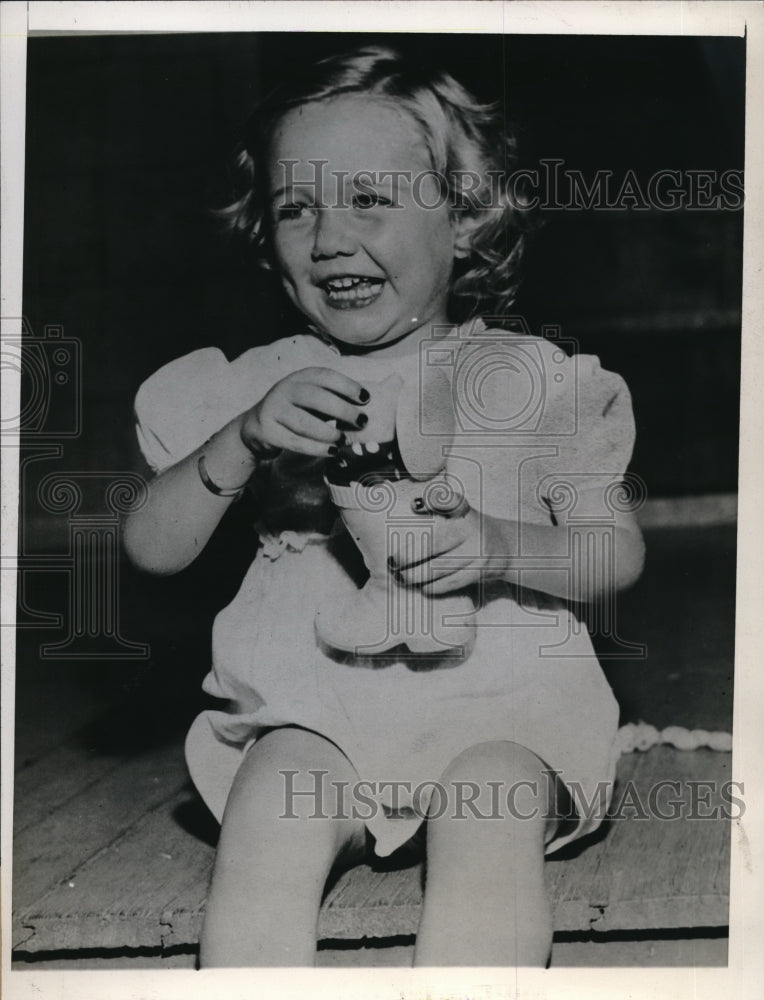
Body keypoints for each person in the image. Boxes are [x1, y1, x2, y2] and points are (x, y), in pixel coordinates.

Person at [123, 45, 645, 968]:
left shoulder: (533, 380)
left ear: (465, 221)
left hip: (506, 709)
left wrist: (500, 546)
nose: (328, 237)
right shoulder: (258, 387)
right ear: (268, 244)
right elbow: (152, 548)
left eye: (369, 199)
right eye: (297, 208)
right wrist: (237, 443)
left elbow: (614, 554)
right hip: (319, 710)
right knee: (273, 805)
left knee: (486, 810)